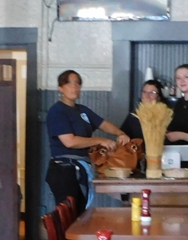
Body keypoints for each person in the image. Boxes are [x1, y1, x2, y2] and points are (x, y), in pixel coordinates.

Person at [46, 70, 129, 214]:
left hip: (81, 167)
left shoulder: (82, 110)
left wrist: (120, 133)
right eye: (69, 83)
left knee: (80, 213)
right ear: (60, 88)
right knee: (68, 215)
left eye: (77, 83)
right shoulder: (57, 111)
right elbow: (70, 142)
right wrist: (100, 140)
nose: (74, 87)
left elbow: (103, 124)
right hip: (64, 170)